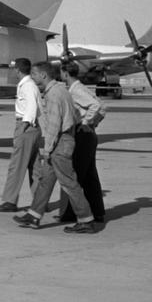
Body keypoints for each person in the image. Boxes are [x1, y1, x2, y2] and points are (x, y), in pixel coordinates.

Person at [13, 61, 95, 233]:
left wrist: (47, 149)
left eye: (34, 74)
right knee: (45, 181)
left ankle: (86, 219)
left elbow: (54, 125)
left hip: (60, 144)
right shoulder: (60, 90)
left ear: (43, 75)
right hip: (62, 141)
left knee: (69, 183)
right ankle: (34, 215)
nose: (32, 77)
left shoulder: (53, 95)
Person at [62, 62, 107, 224]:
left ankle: (73, 213)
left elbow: (97, 106)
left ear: (65, 73)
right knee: (89, 176)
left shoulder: (76, 90)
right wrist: (94, 123)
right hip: (89, 135)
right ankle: (98, 212)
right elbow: (101, 108)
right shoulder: (80, 87)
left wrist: (87, 123)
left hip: (82, 135)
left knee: (76, 176)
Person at [0, 58, 40, 212]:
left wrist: (24, 126)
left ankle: (10, 201)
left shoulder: (27, 86)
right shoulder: (29, 84)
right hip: (32, 128)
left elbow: (32, 107)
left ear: (18, 70)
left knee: (17, 165)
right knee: (35, 168)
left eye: (14, 69)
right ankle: (40, 201)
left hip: (25, 126)